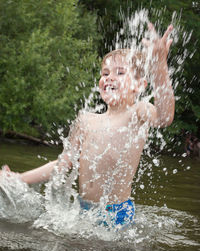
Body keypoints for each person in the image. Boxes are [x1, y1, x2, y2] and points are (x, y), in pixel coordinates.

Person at [0, 23, 175, 227]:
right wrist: (20, 178)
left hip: (116, 213)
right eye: (105, 72)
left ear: (139, 85)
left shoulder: (137, 113)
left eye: (119, 72)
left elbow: (164, 117)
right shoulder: (86, 120)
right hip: (83, 210)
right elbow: (63, 164)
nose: (109, 77)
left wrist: (159, 67)